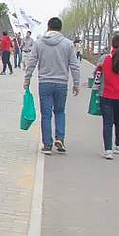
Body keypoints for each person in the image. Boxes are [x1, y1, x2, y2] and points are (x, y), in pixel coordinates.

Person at [24, 17, 80, 155]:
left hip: (45, 83)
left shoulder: (39, 43)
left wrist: (27, 79)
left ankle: (47, 145)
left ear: (48, 27)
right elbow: (74, 65)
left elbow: (31, 62)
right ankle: (60, 138)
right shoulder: (68, 44)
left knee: (46, 114)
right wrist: (76, 83)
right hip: (61, 84)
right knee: (60, 112)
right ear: (60, 28)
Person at [96, 34, 119, 159]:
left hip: (106, 95)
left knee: (108, 123)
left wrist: (95, 88)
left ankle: (108, 151)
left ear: (112, 44)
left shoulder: (104, 58)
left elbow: (97, 74)